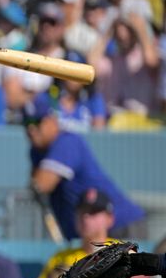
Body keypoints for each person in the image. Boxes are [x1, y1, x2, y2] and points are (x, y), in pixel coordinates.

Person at [24, 94, 147, 241]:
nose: (31, 129)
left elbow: (41, 185)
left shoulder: (66, 141)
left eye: (37, 121)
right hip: (89, 233)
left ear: (53, 120)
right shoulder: (37, 151)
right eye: (26, 123)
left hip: (120, 227)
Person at [28, 188, 122, 278]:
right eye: (82, 211)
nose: (86, 217)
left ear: (110, 218)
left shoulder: (124, 253)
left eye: (93, 212)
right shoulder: (61, 257)